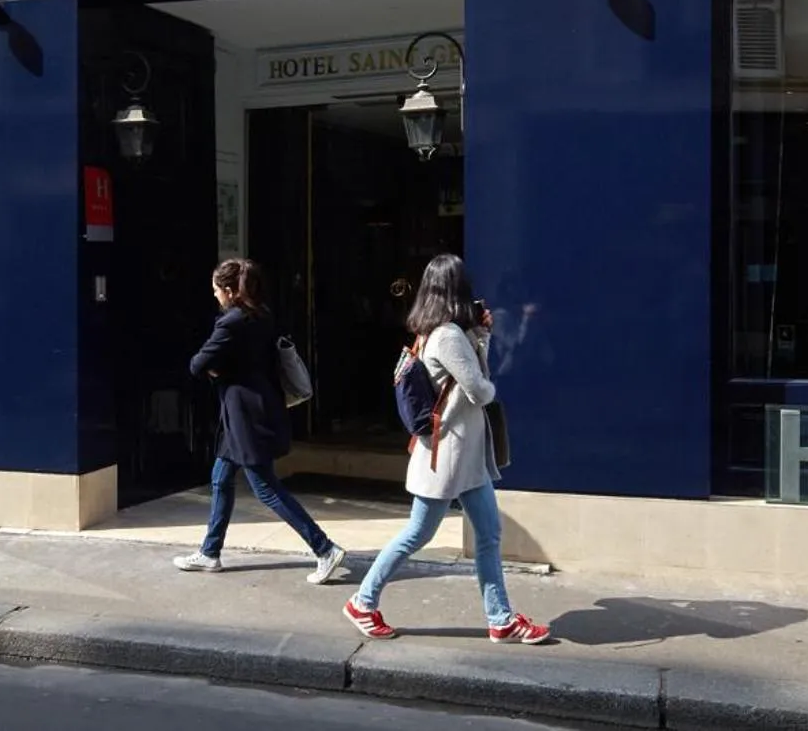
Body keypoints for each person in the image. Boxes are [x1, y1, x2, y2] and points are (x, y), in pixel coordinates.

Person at [344, 254, 551, 644]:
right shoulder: (448, 337)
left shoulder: (439, 332)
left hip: (462, 457)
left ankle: (501, 618)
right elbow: (479, 389)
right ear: (458, 289)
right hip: (447, 457)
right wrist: (487, 378)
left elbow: (469, 379)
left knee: (489, 533)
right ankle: (362, 602)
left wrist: (483, 339)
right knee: (416, 534)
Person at [172, 258, 349, 585]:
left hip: (246, 417)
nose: (214, 296)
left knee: (266, 488)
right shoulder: (263, 315)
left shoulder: (231, 323)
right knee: (221, 478)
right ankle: (210, 552)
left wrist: (218, 370)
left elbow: (198, 364)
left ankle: (324, 548)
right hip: (252, 410)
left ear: (228, 291)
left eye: (215, 290)